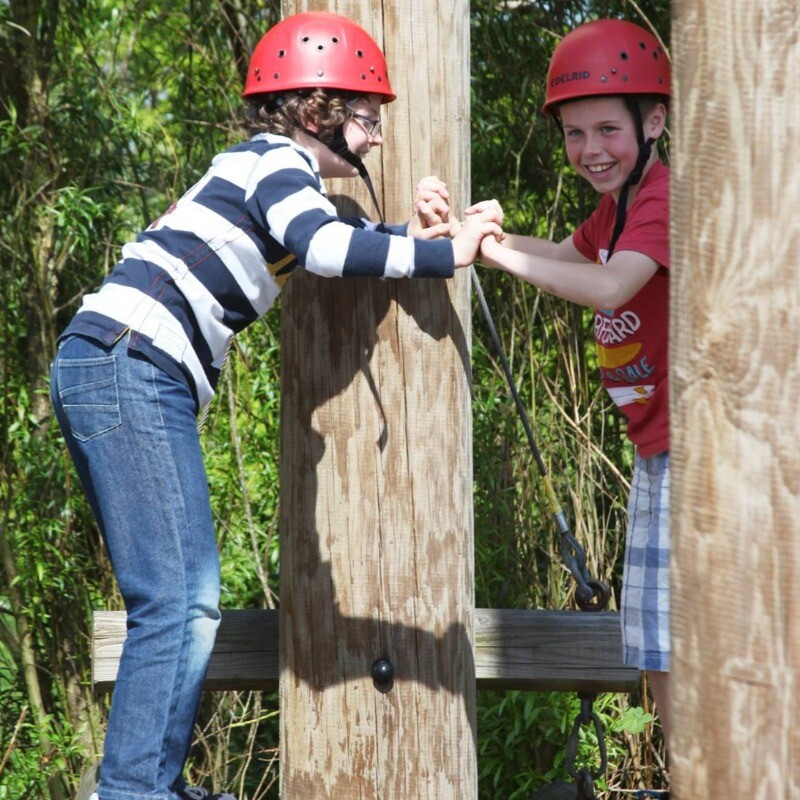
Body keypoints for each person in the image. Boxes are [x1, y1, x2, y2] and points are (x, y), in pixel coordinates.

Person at [51, 12, 501, 800]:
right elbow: (327, 251)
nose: (373, 140)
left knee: (174, 599)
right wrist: (443, 256)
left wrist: (414, 227)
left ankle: (143, 782)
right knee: (181, 601)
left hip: (118, 365)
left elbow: (328, 238)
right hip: (131, 363)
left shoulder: (271, 178)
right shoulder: (273, 161)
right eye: (365, 118)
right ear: (311, 108)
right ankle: (129, 792)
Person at [471, 17, 672, 758]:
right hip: (656, 451)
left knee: (680, 641)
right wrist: (478, 237)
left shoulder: (661, 200)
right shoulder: (614, 209)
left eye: (607, 130)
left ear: (654, 123)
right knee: (654, 646)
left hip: (693, 452)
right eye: (573, 133)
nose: (589, 151)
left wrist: (490, 251)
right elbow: (560, 256)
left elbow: (611, 286)